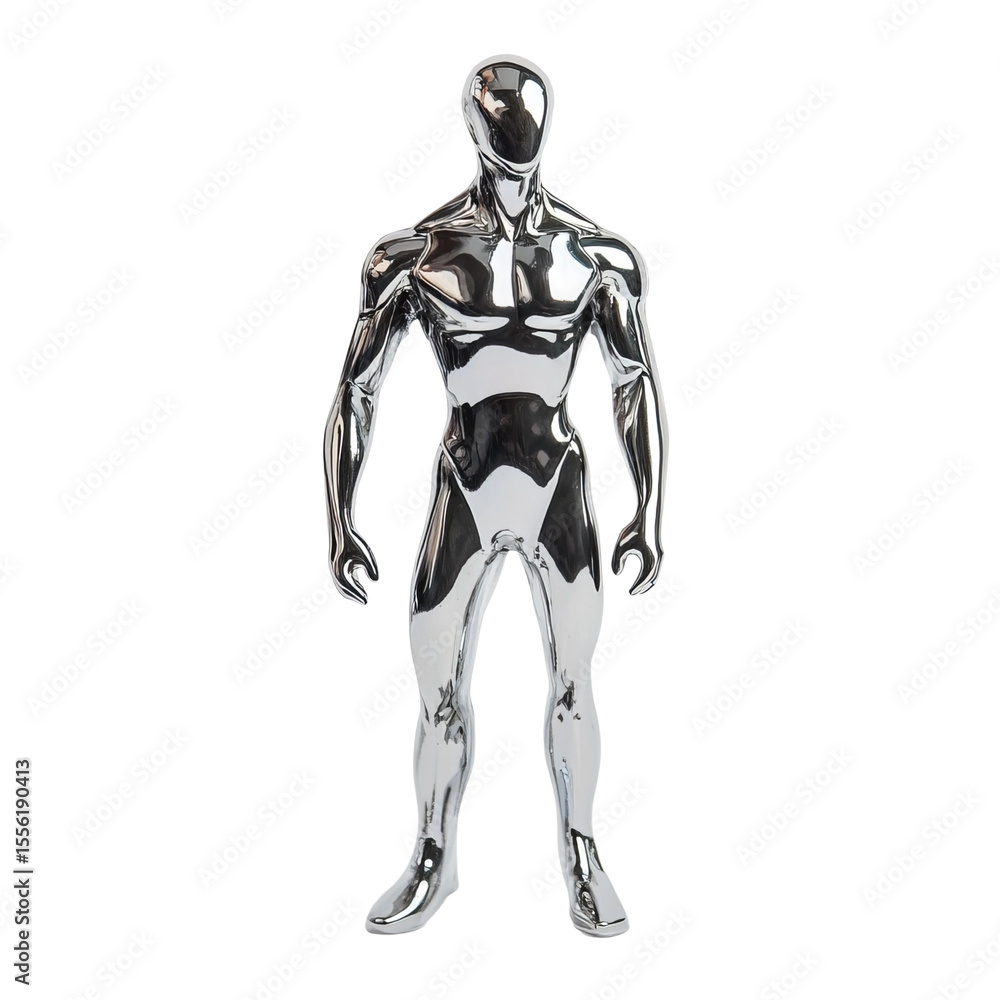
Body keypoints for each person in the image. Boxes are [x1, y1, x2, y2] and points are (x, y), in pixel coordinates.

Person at [324, 55, 667, 936]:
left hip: (556, 483)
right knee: (438, 687)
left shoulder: (594, 257)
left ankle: (581, 852)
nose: (520, 138)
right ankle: (432, 856)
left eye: (528, 124)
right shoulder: (417, 257)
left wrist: (650, 509)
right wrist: (339, 516)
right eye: (506, 123)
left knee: (574, 681)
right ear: (478, 131)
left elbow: (633, 382)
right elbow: (357, 391)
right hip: (467, 482)